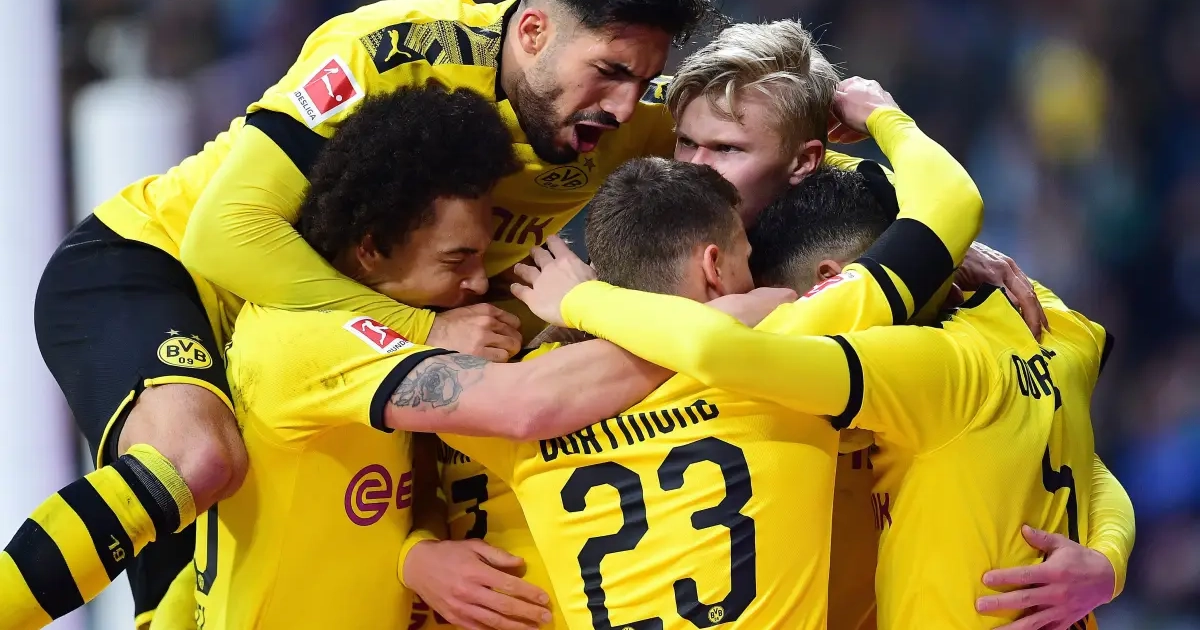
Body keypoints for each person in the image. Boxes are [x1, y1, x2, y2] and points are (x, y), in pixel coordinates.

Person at [10, 0, 723, 626]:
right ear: (534, 31)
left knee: (187, 593)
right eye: (608, 72)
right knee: (195, 461)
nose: (623, 106)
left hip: (323, 330)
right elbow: (223, 234)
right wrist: (424, 332)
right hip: (159, 266)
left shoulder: (642, 117)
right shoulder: (390, 49)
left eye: (640, 80)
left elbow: (758, 142)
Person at [515, 138, 1126, 630]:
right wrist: (1109, 562)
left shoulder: (540, 387)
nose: (773, 295)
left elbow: (717, 349)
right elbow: (952, 206)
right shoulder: (1025, 329)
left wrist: (574, 303)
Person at [663, 30, 1135, 630]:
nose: (695, 170)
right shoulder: (660, 275)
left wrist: (1106, 564)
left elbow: (1066, 445)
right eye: (685, 142)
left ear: (805, 162)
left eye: (726, 149)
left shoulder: (909, 298)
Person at [196, 84, 683, 630]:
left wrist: (414, 552)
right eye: (456, 259)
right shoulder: (307, 337)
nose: (478, 281)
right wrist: (702, 329)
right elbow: (527, 405)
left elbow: (414, 472)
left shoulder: (395, 333)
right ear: (371, 248)